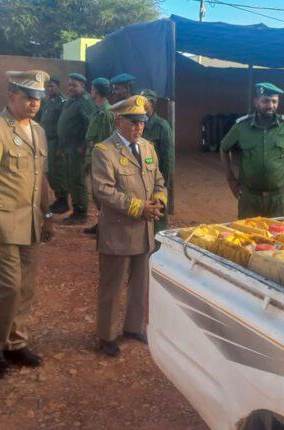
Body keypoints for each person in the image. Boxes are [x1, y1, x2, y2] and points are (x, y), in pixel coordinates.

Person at [0, 70, 55, 378]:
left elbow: (40, 177)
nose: (34, 104)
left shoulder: (38, 131)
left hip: (30, 222)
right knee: (9, 287)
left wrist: (47, 216)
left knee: (26, 287)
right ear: (10, 95)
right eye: (28, 97)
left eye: (38, 99)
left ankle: (16, 342)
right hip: (2, 223)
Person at [91, 95, 167, 357]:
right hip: (118, 231)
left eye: (142, 122)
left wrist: (159, 200)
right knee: (112, 287)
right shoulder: (104, 151)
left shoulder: (147, 148)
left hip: (144, 230)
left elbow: (159, 180)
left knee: (140, 283)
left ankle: (133, 327)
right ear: (118, 121)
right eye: (133, 122)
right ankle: (106, 335)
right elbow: (104, 191)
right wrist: (139, 207)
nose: (139, 127)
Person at [220, 82, 284, 219]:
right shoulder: (241, 127)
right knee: (247, 232)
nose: (271, 105)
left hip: (279, 198)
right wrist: (231, 180)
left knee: (280, 231)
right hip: (249, 198)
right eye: (265, 101)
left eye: (274, 101)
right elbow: (224, 148)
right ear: (256, 102)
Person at [57, 72, 96, 225]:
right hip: (67, 147)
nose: (70, 88)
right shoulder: (71, 101)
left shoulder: (85, 102)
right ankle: (75, 208)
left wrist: (83, 146)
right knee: (70, 179)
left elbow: (90, 125)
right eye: (69, 85)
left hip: (77, 149)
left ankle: (81, 212)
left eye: (74, 85)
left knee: (77, 179)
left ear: (83, 86)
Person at [83, 77, 116, 235]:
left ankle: (107, 225)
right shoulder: (98, 110)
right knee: (96, 194)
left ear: (96, 91)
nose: (90, 91)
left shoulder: (107, 113)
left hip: (100, 159)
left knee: (101, 193)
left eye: (92, 88)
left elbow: (107, 140)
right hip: (92, 157)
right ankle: (102, 222)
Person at [140, 89, 174, 234]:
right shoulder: (138, 123)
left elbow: (168, 158)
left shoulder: (161, 126)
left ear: (152, 103)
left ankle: (158, 243)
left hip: (156, 179)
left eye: (144, 102)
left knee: (158, 214)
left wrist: (165, 183)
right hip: (139, 178)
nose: (141, 104)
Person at [37, 77, 69, 214]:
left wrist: (61, 146)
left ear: (58, 87)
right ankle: (58, 197)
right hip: (46, 140)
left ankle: (63, 200)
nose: (49, 89)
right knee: (49, 171)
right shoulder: (48, 102)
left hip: (56, 141)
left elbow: (63, 125)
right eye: (48, 87)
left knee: (57, 170)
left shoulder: (62, 102)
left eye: (52, 86)